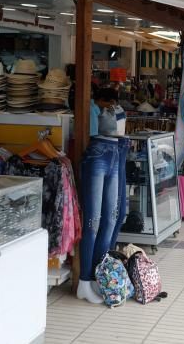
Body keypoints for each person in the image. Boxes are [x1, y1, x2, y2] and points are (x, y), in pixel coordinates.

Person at [77, 87, 127, 303]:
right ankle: (84, 281)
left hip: (113, 152)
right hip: (99, 152)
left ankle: (99, 276)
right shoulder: (90, 108)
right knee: (94, 222)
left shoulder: (106, 110)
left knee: (111, 218)